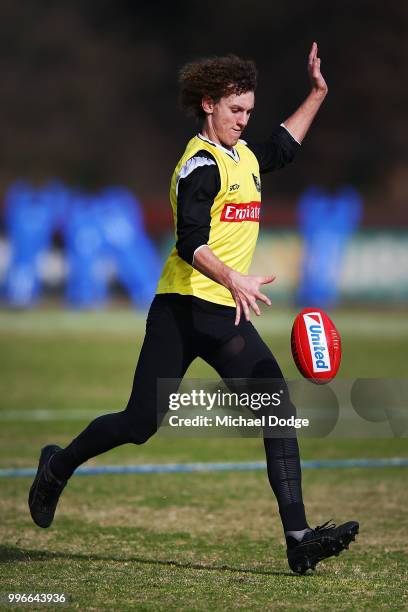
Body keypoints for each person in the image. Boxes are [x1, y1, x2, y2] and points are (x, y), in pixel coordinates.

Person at [29, 43, 358, 574]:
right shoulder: (199, 167)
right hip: (181, 312)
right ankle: (58, 466)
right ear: (209, 104)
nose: (244, 121)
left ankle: (299, 539)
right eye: (236, 111)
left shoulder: (243, 155)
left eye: (249, 111)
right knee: (139, 423)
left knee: (276, 409)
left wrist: (317, 94)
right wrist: (235, 279)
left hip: (225, 317)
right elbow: (188, 241)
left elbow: (284, 145)